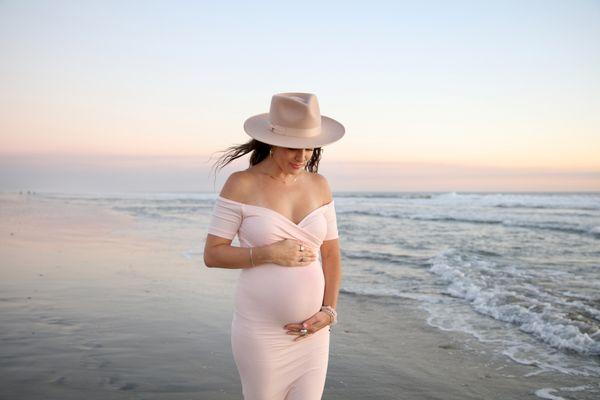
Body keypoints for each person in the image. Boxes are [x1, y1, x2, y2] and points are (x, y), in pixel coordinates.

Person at [203, 92, 345, 400]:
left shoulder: (320, 185)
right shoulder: (241, 184)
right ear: (270, 141)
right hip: (261, 333)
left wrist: (329, 311)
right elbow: (213, 254)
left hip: (313, 333)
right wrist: (268, 253)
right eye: (293, 147)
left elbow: (331, 255)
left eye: (309, 147)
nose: (302, 156)